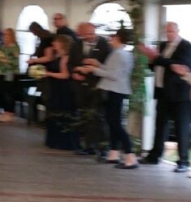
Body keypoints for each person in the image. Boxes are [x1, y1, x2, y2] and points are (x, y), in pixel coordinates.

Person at [78, 29, 136, 169]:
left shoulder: (118, 54)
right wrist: (97, 64)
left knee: (115, 123)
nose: (110, 40)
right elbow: (112, 70)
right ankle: (114, 153)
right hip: (117, 89)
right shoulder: (124, 53)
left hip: (115, 90)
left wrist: (93, 70)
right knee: (112, 121)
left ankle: (130, 155)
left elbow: (113, 75)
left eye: (113, 37)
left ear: (118, 38)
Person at [139, 22, 191, 172]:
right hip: (162, 92)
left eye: (171, 31)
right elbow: (156, 66)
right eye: (167, 32)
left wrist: (156, 58)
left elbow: (180, 66)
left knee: (181, 128)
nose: (169, 34)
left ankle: (183, 161)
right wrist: (150, 59)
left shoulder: (186, 46)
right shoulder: (162, 46)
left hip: (180, 95)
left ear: (178, 31)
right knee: (160, 125)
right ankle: (154, 156)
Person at [69, 22, 110, 156]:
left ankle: (103, 148)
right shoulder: (76, 45)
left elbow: (109, 67)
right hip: (81, 86)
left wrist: (96, 66)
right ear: (81, 34)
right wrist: (74, 72)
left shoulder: (104, 45)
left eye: (92, 33)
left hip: (97, 85)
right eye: (86, 34)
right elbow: (70, 63)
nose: (90, 37)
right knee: (85, 115)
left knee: (99, 117)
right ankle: (89, 146)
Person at [44, 35, 77, 150]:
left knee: (62, 112)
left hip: (63, 89)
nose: (53, 43)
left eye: (56, 42)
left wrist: (48, 74)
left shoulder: (65, 58)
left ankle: (63, 141)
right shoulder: (57, 55)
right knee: (55, 112)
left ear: (62, 44)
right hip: (55, 87)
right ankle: (55, 140)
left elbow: (65, 75)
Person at [0, 28, 21, 122]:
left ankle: (10, 113)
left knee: (9, 93)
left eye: (6, 34)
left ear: (11, 36)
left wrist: (4, 60)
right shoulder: (2, 47)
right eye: (3, 34)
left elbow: (14, 61)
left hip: (10, 72)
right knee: (2, 92)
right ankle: (5, 112)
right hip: (1, 72)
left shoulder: (15, 47)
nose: (4, 36)